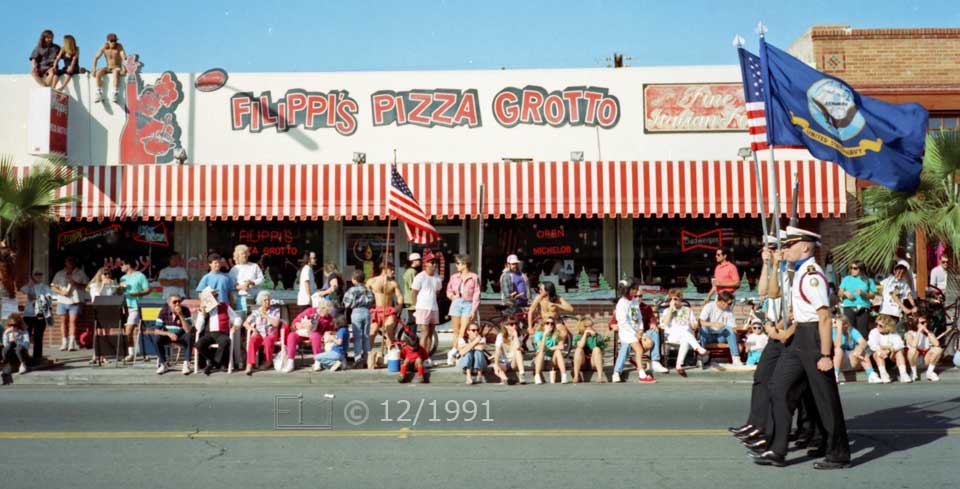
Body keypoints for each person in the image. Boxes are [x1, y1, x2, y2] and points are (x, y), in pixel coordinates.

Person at [755, 226, 850, 470]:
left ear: (805, 247)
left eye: (789, 245)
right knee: (779, 387)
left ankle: (838, 453)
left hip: (814, 337)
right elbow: (773, 291)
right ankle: (777, 450)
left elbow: (825, 317)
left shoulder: (811, 276)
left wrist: (826, 354)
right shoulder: (797, 272)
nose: (784, 249)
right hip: (800, 336)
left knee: (825, 398)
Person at [612, 278, 656, 384]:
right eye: (633, 289)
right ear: (626, 290)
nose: (635, 290)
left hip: (636, 331)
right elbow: (622, 322)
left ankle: (617, 372)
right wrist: (634, 333)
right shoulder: (622, 303)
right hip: (627, 332)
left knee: (635, 348)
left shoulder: (634, 301)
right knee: (639, 350)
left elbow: (639, 317)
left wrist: (640, 329)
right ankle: (641, 375)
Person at [660, 289, 709, 376]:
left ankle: (678, 365)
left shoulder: (688, 310)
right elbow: (665, 324)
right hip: (672, 335)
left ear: (680, 299)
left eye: (675, 299)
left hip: (687, 336)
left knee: (685, 338)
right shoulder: (667, 311)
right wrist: (671, 308)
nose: (672, 301)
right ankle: (698, 348)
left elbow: (694, 326)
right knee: (684, 331)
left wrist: (694, 325)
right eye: (670, 299)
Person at [446, 254, 480, 366]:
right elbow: (449, 290)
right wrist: (452, 297)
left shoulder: (474, 277)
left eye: (458, 263)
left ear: (465, 264)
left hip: (468, 303)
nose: (456, 265)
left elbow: (476, 293)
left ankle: (453, 352)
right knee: (456, 331)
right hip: (456, 302)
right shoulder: (454, 277)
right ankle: (456, 354)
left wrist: (474, 309)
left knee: (463, 331)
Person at [147, 294, 194, 375]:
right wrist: (168, 334)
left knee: (189, 336)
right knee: (157, 338)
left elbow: (188, 330)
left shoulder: (185, 310)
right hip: (168, 335)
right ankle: (163, 364)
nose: (177, 304)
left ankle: (186, 364)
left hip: (181, 335)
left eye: (179, 301)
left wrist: (181, 315)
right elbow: (156, 331)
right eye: (174, 302)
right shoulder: (164, 311)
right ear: (169, 303)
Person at [282, 298, 333, 373]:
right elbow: (295, 322)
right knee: (291, 336)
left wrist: (327, 334)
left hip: (316, 335)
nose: (325, 314)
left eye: (327, 313)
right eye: (325, 311)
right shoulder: (310, 311)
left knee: (316, 336)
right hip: (303, 332)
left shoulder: (328, 317)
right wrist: (298, 325)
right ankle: (290, 362)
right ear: (321, 308)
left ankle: (317, 361)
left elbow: (331, 329)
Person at [50, 256, 89, 352]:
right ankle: (64, 343)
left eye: (72, 261)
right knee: (63, 321)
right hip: (62, 300)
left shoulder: (80, 273)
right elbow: (53, 286)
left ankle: (71, 343)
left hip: (74, 300)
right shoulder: (60, 273)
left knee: (73, 321)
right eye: (68, 261)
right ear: (65, 263)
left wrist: (76, 284)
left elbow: (87, 286)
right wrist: (61, 292)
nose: (70, 263)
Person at [117, 256, 151, 362]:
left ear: (128, 265)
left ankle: (133, 353)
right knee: (131, 330)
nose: (120, 267)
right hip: (125, 307)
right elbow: (118, 293)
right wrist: (120, 288)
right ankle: (133, 352)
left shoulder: (140, 275)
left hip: (136, 306)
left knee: (129, 329)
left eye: (122, 264)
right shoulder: (122, 278)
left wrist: (137, 293)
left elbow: (148, 289)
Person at [411, 253, 442, 364]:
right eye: (431, 262)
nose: (434, 264)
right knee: (424, 333)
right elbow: (414, 292)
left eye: (435, 262)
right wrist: (415, 306)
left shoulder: (438, 277)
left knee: (430, 333)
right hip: (422, 307)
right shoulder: (420, 276)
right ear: (426, 263)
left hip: (433, 307)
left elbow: (437, 292)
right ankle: (420, 357)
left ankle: (426, 356)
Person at [699, 291, 743, 367]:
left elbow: (733, 328)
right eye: (729, 303)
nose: (730, 305)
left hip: (720, 337)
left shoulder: (729, 311)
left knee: (729, 330)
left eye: (731, 303)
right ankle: (703, 354)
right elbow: (701, 322)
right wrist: (712, 324)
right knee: (703, 329)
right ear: (722, 301)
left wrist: (738, 341)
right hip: (708, 336)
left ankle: (736, 358)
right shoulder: (709, 306)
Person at [243, 290, 281, 376]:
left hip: (271, 334)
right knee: (252, 341)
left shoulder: (275, 311)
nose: (267, 302)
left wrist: (266, 316)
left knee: (268, 341)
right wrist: (252, 329)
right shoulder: (256, 312)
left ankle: (268, 361)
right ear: (260, 302)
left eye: (268, 300)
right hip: (259, 333)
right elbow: (245, 323)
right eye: (265, 300)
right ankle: (249, 364)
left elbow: (276, 324)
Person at [832, 315, 878, 384]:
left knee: (861, 349)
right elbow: (837, 345)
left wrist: (859, 348)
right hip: (838, 362)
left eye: (839, 324)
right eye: (836, 323)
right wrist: (839, 329)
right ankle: (835, 375)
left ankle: (871, 374)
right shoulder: (833, 331)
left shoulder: (852, 330)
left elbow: (863, 342)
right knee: (838, 349)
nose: (836, 325)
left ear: (846, 325)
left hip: (852, 361)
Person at [343, 270, 375, 368]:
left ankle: (357, 358)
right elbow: (372, 301)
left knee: (357, 337)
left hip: (356, 312)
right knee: (366, 336)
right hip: (366, 312)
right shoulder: (368, 289)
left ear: (354, 280)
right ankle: (367, 359)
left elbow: (346, 303)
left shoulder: (352, 290)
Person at [367, 262, 403, 350]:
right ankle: (368, 355)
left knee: (389, 331)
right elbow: (364, 294)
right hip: (376, 310)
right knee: (373, 331)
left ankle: (390, 354)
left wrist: (398, 307)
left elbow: (400, 296)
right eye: (391, 269)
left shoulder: (393, 283)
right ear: (384, 269)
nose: (394, 272)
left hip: (389, 311)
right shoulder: (372, 281)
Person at [21, 271, 53, 366]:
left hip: (40, 314)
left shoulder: (44, 287)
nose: (38, 277)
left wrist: (36, 297)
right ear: (32, 276)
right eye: (36, 275)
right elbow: (22, 291)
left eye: (40, 275)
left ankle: (37, 357)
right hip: (28, 314)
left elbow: (49, 298)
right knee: (26, 336)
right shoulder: (28, 286)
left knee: (38, 337)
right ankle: (24, 357)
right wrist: (30, 284)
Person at [838, 260, 877, 338]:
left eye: (855, 268)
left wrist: (863, 293)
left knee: (862, 332)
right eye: (851, 268)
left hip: (863, 308)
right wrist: (845, 293)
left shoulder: (868, 280)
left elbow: (873, 296)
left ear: (861, 269)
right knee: (848, 330)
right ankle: (849, 348)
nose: (852, 270)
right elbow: (839, 293)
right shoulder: (846, 279)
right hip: (849, 307)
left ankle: (861, 348)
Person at [868, 315, 910, 383]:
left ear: (887, 326)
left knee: (899, 352)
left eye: (880, 325)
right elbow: (873, 345)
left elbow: (900, 345)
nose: (877, 326)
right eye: (877, 324)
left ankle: (903, 374)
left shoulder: (894, 334)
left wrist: (888, 350)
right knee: (878, 353)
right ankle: (883, 374)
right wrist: (884, 349)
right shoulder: (874, 332)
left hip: (890, 357)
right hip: (877, 358)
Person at [879, 260, 918, 331]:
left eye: (903, 272)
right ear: (894, 271)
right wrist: (904, 309)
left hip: (896, 313)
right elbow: (894, 296)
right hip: (887, 312)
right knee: (885, 332)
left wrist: (914, 306)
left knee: (894, 332)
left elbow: (908, 294)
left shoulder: (904, 283)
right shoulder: (890, 281)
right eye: (899, 271)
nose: (900, 273)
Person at [905, 316, 943, 382]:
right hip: (914, 358)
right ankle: (913, 372)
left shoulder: (929, 333)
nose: (925, 324)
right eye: (922, 323)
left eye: (925, 322)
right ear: (916, 324)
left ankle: (930, 372)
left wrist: (927, 331)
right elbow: (914, 345)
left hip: (925, 358)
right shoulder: (909, 333)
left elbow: (936, 344)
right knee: (913, 350)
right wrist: (919, 331)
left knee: (938, 349)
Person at [91, 33, 126, 103]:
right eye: (112, 41)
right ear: (108, 41)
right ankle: (99, 93)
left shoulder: (119, 46)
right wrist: (94, 69)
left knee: (116, 73)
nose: (114, 42)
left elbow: (124, 57)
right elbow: (96, 57)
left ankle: (115, 93)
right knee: (98, 73)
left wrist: (124, 68)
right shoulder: (104, 47)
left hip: (117, 67)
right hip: (108, 67)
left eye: (115, 40)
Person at [532, 318, 568, 384]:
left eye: (552, 323)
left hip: (551, 360)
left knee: (558, 351)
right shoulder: (538, 334)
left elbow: (561, 346)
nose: (550, 325)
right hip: (540, 360)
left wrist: (548, 348)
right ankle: (537, 376)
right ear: (543, 325)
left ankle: (564, 375)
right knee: (541, 352)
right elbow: (542, 349)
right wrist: (545, 335)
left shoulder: (556, 334)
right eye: (547, 323)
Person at [572, 317, 607, 383]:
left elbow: (601, 351)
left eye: (590, 325)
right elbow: (580, 345)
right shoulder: (577, 336)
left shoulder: (597, 336)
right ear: (582, 327)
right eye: (586, 326)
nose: (589, 328)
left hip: (593, 363)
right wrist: (585, 334)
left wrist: (594, 337)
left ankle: (600, 377)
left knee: (596, 349)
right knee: (578, 350)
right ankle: (576, 376)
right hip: (582, 363)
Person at [492, 317, 525, 384]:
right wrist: (496, 364)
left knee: (518, 351)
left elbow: (518, 347)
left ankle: (522, 374)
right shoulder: (500, 336)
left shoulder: (519, 336)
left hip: (513, 362)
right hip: (504, 362)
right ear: (506, 326)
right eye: (511, 324)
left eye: (515, 324)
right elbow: (497, 351)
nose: (514, 326)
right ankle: (506, 379)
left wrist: (515, 336)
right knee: (495, 366)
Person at [401, 253, 421, 325]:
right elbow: (413, 287)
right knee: (413, 320)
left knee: (412, 320)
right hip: (412, 300)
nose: (420, 261)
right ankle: (410, 335)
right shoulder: (412, 272)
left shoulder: (409, 271)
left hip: (410, 299)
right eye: (418, 260)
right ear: (413, 261)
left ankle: (410, 334)